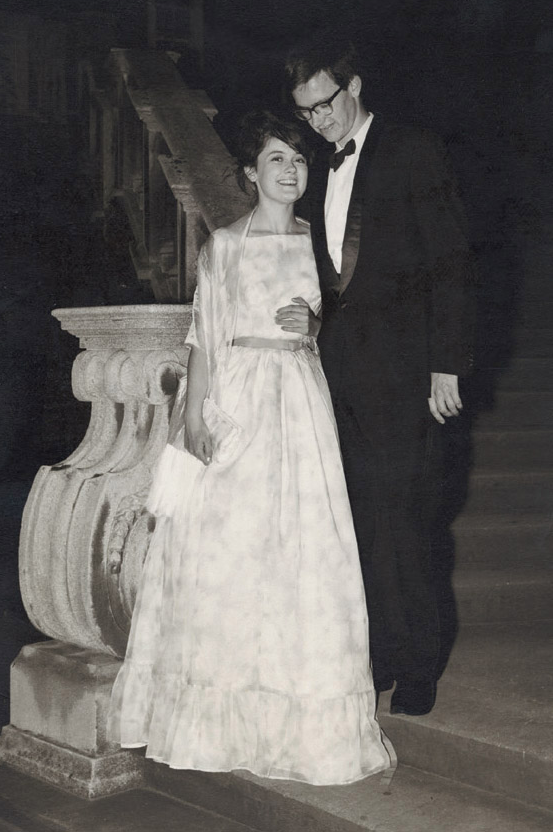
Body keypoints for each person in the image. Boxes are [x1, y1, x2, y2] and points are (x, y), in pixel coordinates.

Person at [108, 110, 393, 785]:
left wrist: (315, 320)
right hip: (237, 403)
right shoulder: (225, 246)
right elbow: (204, 339)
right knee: (227, 555)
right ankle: (220, 723)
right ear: (250, 173)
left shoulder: (319, 243)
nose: (290, 171)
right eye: (275, 160)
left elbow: (347, 323)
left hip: (300, 401)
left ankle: (298, 720)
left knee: (304, 553)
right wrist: (194, 419)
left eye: (298, 161)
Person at [284, 34, 473, 716]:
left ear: (353, 86)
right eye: (306, 112)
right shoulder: (316, 163)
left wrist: (446, 362)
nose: (318, 120)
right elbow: (328, 271)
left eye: (325, 104)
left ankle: (419, 662)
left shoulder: (412, 149)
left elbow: (450, 260)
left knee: (407, 516)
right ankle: (383, 651)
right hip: (336, 371)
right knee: (358, 519)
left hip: (405, 369)